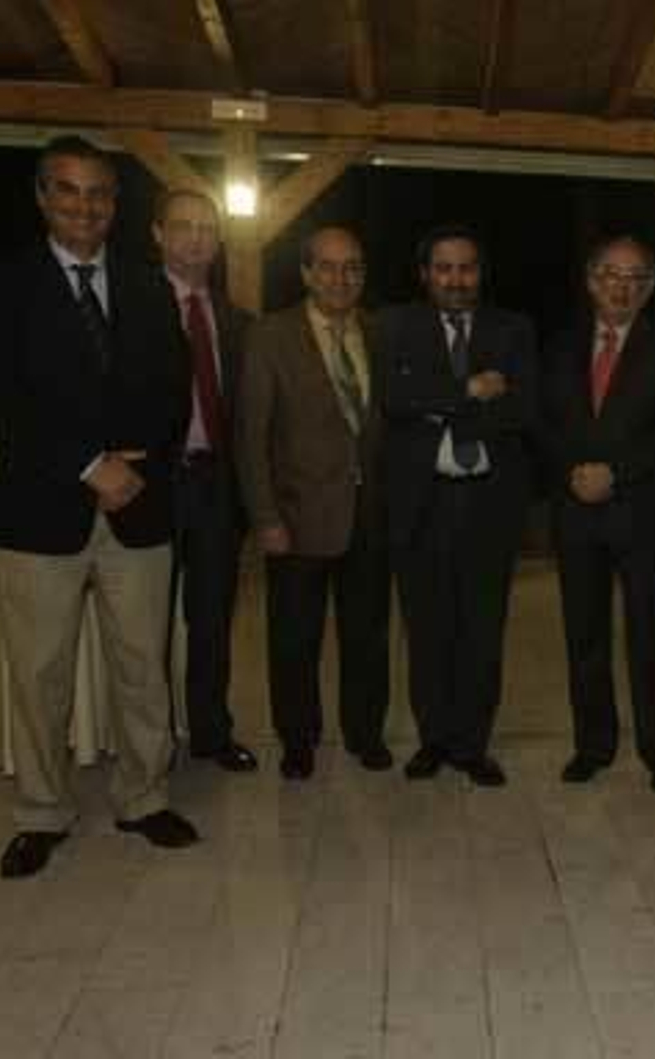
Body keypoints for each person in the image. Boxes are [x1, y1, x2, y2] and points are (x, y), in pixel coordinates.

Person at [0, 135, 199, 879]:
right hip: (39, 513)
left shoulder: (145, 284)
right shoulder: (0, 285)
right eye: (68, 190)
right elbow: (3, 391)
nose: (85, 206)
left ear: (114, 204)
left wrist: (137, 459)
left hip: (139, 504)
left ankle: (145, 796)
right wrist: (88, 464)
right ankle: (41, 811)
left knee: (143, 664)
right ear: (42, 196)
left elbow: (173, 382)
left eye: (98, 193)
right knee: (39, 673)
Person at [378, 224, 538, 788]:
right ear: (425, 275)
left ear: (480, 273)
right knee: (426, 633)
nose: (455, 278)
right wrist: (467, 393)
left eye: (466, 267)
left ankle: (472, 746)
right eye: (443, 268)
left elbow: (524, 410)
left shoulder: (513, 329)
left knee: (481, 632)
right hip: (422, 505)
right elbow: (393, 401)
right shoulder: (394, 327)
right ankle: (433, 741)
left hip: (488, 507)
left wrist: (434, 403)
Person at [237, 226, 391, 780]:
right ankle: (298, 741)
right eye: (326, 266)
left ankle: (365, 734)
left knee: (368, 637)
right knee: (294, 640)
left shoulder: (380, 331)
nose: (340, 278)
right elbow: (251, 436)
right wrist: (265, 518)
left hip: (371, 517)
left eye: (351, 267)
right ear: (305, 273)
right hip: (296, 518)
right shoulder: (270, 336)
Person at [542, 236, 655, 791]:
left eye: (634, 277)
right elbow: (544, 420)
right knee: (584, 637)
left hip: (642, 516)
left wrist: (614, 473)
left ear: (648, 288)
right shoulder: (559, 345)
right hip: (575, 514)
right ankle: (593, 746)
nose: (620, 286)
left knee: (650, 638)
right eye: (610, 275)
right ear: (590, 280)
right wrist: (574, 470)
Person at [151, 188, 256, 772]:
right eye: (183, 227)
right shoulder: (136, 308)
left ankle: (212, 734)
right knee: (146, 628)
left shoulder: (237, 320)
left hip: (217, 487)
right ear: (158, 234)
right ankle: (152, 742)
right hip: (155, 488)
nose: (196, 238)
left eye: (206, 229)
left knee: (212, 622)